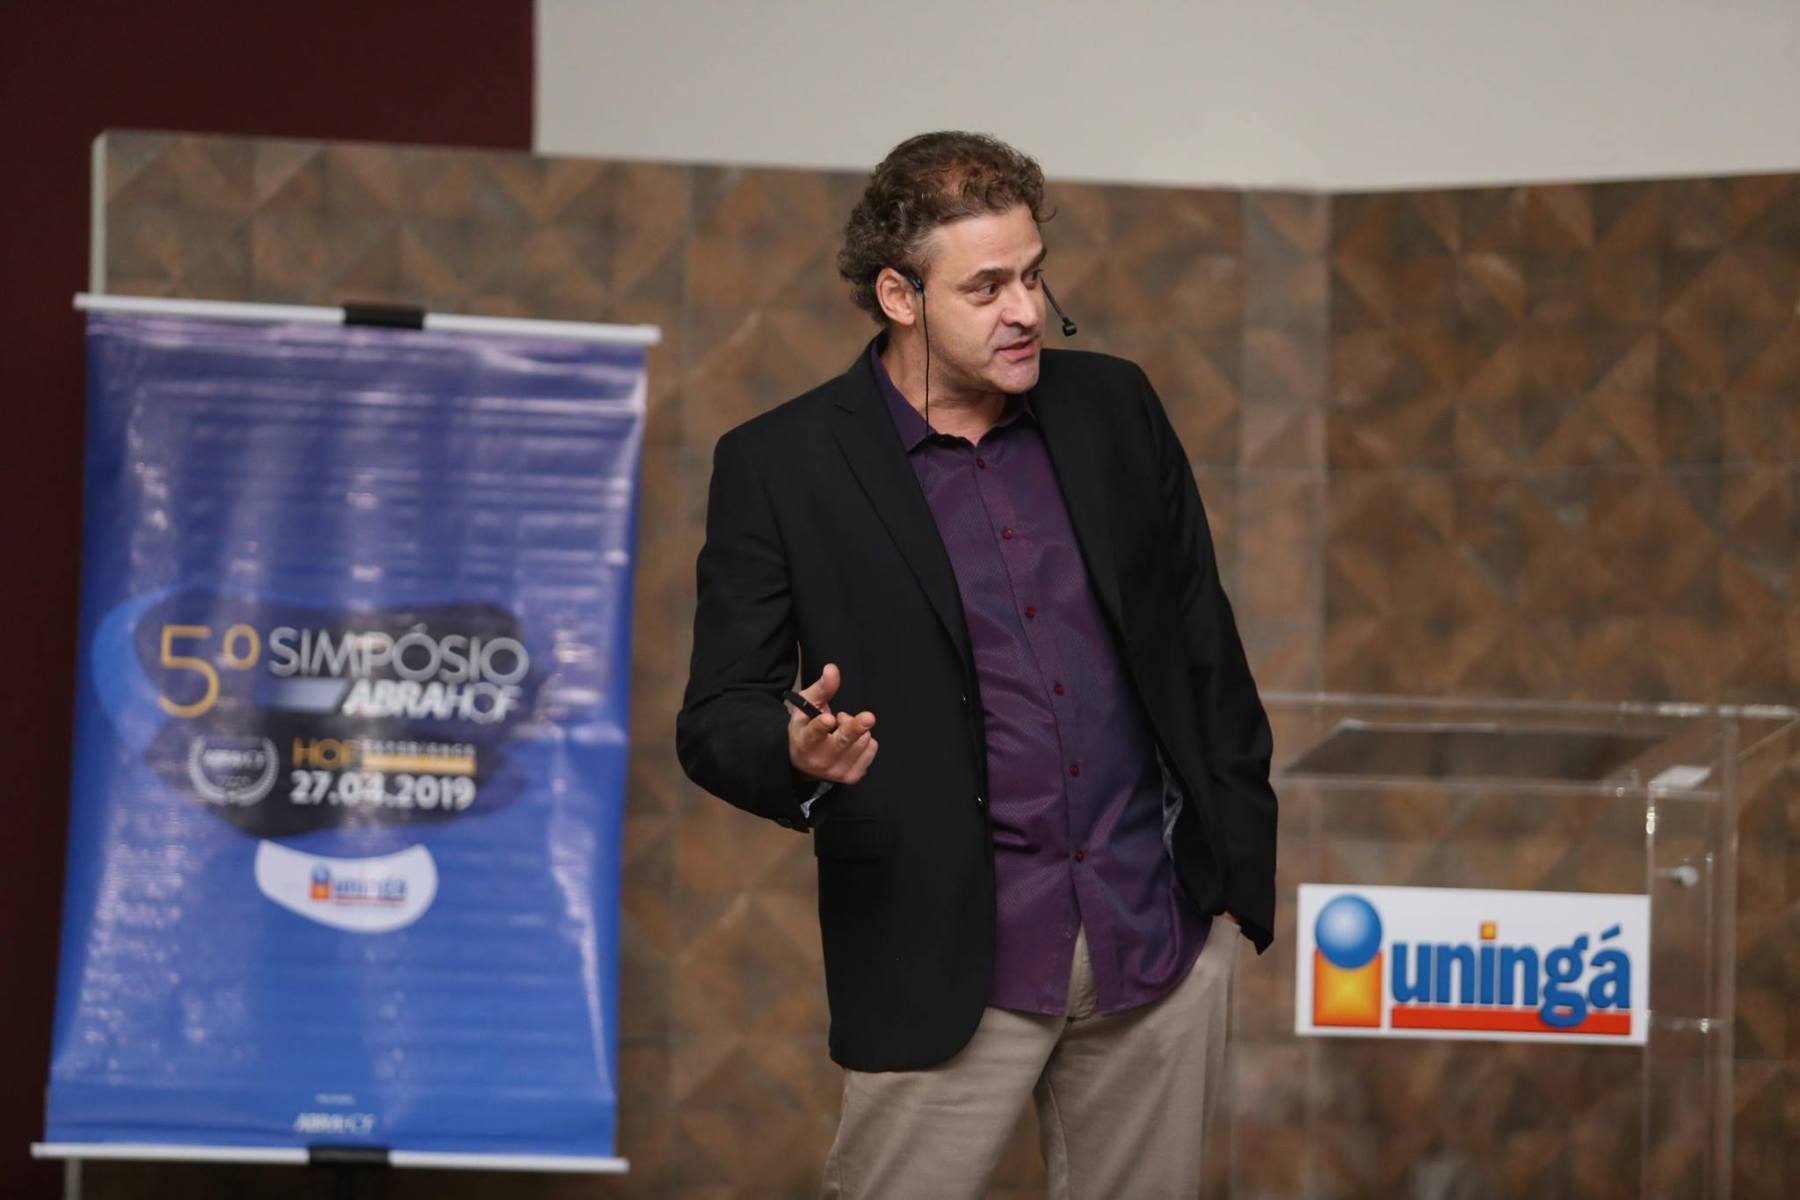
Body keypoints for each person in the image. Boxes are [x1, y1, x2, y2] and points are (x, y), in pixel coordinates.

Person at [676, 131, 1277, 1199]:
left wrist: (1231, 881)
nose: (1026, 310)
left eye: (1035, 275)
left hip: (1157, 934)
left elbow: (1204, 646)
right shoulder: (780, 465)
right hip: (940, 950)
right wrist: (795, 751)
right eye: (987, 287)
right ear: (898, 296)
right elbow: (718, 713)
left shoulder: (1116, 410)